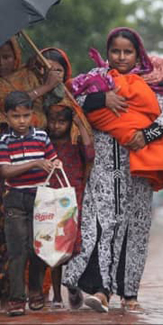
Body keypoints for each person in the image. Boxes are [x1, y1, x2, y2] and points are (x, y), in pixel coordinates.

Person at [62, 27, 163, 314]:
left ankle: (129, 292)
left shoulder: (152, 81)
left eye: (128, 52)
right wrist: (103, 99)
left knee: (135, 227)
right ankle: (100, 290)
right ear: (107, 53)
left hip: (140, 167)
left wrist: (146, 135)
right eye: (115, 51)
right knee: (102, 223)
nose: (121, 57)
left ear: (138, 54)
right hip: (104, 167)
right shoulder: (96, 80)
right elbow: (73, 103)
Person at [0, 38, 61, 312]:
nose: (2, 63)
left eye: (7, 56)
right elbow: (10, 100)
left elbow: (46, 113)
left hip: (25, 170)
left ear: (16, 55)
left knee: (14, 233)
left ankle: (8, 294)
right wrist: (45, 87)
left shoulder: (29, 75)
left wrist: (51, 79)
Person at [0, 91, 62, 317]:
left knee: (37, 249)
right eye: (16, 116)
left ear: (32, 114)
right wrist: (34, 163)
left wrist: (55, 164)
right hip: (15, 199)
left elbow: (52, 159)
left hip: (40, 199)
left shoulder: (42, 137)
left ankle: (35, 291)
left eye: (25, 115)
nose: (21, 121)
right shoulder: (4, 141)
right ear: (6, 116)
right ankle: (16, 299)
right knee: (17, 251)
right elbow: (5, 171)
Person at [44, 104, 94, 309]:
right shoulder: (44, 142)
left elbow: (89, 155)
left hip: (73, 196)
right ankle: (57, 296)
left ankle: (73, 284)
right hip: (50, 198)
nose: (56, 126)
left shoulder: (75, 142)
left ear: (69, 123)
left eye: (61, 122)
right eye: (52, 121)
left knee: (73, 243)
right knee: (54, 246)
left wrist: (80, 125)